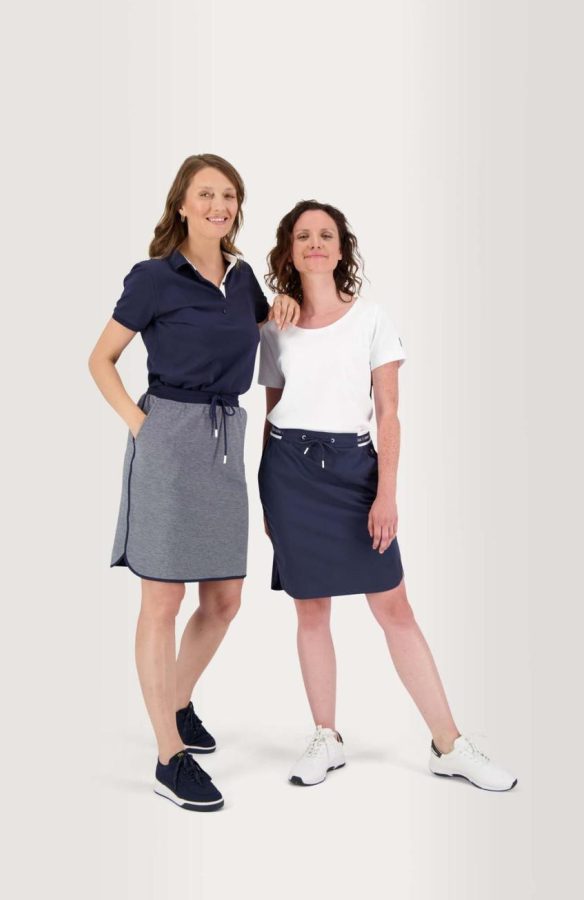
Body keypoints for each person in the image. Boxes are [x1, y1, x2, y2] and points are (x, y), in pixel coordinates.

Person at [258, 200, 517, 792]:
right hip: (289, 473)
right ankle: (326, 736)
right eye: (304, 236)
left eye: (326, 235)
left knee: (394, 608)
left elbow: (389, 412)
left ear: (341, 248)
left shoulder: (372, 318)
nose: (315, 243)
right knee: (310, 609)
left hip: (355, 473)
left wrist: (387, 494)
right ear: (290, 250)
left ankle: (450, 744)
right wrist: (265, 493)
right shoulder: (275, 325)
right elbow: (270, 410)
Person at [88, 154, 299, 812]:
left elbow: (262, 333)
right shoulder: (154, 277)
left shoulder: (242, 279)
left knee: (225, 599)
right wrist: (140, 425)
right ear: (181, 203)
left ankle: (174, 703)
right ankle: (167, 756)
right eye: (206, 193)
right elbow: (101, 359)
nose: (219, 205)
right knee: (163, 600)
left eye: (229, 195)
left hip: (225, 439)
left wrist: (282, 307)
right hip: (169, 436)